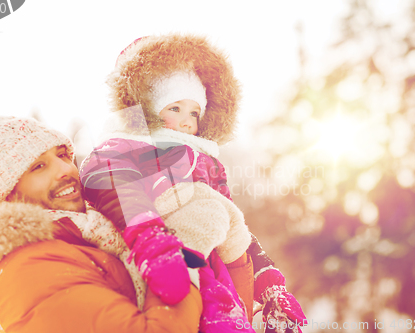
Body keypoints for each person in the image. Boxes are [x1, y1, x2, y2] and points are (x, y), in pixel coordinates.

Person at [79, 33, 306, 333]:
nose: (186, 121)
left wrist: (270, 284)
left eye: (194, 112)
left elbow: (234, 223)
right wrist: (153, 242)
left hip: (215, 265)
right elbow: (103, 177)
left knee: (227, 314)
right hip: (157, 259)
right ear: (147, 108)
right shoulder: (129, 145)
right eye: (174, 108)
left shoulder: (206, 160)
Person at [0, 103, 203, 333]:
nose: (65, 170)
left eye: (61, 155)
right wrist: (181, 257)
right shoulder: (29, 271)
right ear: (9, 195)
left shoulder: (89, 233)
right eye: (38, 166)